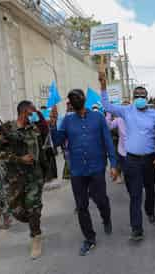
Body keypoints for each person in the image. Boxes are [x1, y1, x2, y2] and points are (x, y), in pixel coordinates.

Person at [50, 89, 118, 256]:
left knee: (100, 198)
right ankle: (89, 238)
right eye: (73, 98)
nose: (76, 100)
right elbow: (58, 141)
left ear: (84, 99)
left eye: (78, 97)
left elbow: (108, 141)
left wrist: (114, 165)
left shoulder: (98, 117)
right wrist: (52, 124)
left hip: (97, 167)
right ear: (71, 103)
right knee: (81, 205)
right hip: (77, 170)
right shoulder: (67, 120)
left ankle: (106, 218)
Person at [100, 75, 155, 242]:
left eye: (143, 96)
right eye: (137, 96)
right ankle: (137, 229)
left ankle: (150, 211)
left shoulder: (154, 114)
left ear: (147, 98)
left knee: (150, 189)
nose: (140, 98)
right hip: (131, 160)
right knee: (135, 195)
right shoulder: (126, 111)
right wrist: (103, 86)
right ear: (133, 98)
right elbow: (106, 105)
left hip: (150, 159)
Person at [0, 101, 47, 259]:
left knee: (33, 207)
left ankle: (35, 237)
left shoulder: (34, 128)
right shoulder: (7, 129)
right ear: (24, 112)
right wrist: (18, 159)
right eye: (32, 111)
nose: (34, 114)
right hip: (15, 178)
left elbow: (45, 139)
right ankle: (32, 220)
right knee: (16, 210)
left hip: (34, 176)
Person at [106, 102, 128, 185]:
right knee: (128, 176)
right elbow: (108, 126)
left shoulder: (137, 118)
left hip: (135, 153)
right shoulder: (119, 119)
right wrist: (108, 113)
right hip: (122, 151)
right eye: (124, 107)